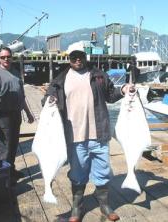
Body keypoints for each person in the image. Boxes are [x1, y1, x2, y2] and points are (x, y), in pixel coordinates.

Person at [42, 48, 132, 222]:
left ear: (85, 57)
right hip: (74, 136)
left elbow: (110, 95)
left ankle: (104, 205)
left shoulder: (98, 75)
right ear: (69, 59)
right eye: (74, 57)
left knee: (103, 171)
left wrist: (123, 90)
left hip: (99, 133)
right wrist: (49, 100)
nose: (77, 60)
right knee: (77, 172)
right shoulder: (60, 79)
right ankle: (77, 207)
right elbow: (46, 99)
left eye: (80, 56)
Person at [0, 46, 34, 183]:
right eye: (3, 57)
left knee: (13, 145)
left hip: (16, 115)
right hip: (3, 116)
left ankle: (11, 171)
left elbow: (21, 96)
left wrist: (28, 113)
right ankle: (3, 178)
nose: (6, 59)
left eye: (8, 56)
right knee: (4, 148)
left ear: (12, 57)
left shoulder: (16, 73)